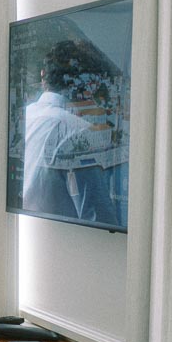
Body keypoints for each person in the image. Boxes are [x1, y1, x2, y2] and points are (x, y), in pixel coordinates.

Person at [22, 40, 119, 225]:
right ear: (85, 84)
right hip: (67, 245)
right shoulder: (78, 132)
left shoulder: (25, 116)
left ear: (43, 76)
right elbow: (99, 217)